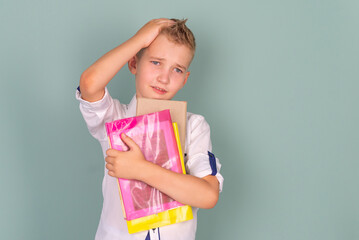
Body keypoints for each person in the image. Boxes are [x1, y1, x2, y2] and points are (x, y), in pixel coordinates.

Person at [76, 18, 224, 240]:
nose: (164, 78)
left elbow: (208, 195)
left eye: (177, 69)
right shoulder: (115, 119)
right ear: (133, 63)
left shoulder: (194, 126)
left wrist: (140, 169)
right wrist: (139, 40)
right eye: (156, 62)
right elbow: (89, 83)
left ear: (185, 79)